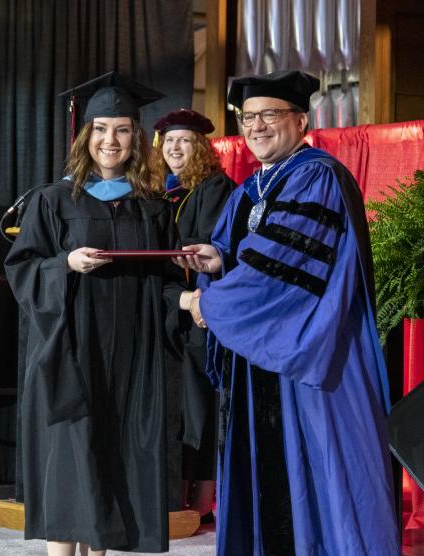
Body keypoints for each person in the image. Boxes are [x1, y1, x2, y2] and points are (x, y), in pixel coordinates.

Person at [175, 70, 399, 555]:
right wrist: (218, 260)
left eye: (269, 115)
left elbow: (283, 273)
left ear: (300, 120)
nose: (256, 126)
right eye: (248, 118)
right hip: (262, 363)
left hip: (310, 358)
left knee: (323, 477)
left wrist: (207, 302)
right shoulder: (252, 188)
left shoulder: (317, 176)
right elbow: (256, 257)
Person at [4, 72, 184, 555]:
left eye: (122, 129)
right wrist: (66, 263)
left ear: (135, 136)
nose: (111, 140)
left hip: (131, 360)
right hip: (72, 352)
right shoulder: (53, 200)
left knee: (113, 461)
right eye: (102, 129)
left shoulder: (153, 209)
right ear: (86, 136)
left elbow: (167, 280)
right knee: (72, 459)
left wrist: (187, 300)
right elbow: (22, 269)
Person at [150, 108, 235, 521]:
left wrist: (202, 300)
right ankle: (177, 498)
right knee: (180, 404)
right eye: (168, 142)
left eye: (183, 141)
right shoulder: (165, 191)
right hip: (172, 311)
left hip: (203, 312)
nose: (174, 148)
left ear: (200, 146)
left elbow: (216, 248)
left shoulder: (214, 188)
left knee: (201, 403)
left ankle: (201, 503)